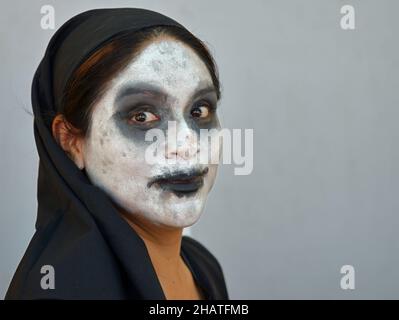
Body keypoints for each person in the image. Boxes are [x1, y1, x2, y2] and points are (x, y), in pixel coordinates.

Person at [6, 7, 228, 300]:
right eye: (142, 117)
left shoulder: (201, 265)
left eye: (199, 110)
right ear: (71, 141)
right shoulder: (64, 289)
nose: (187, 144)